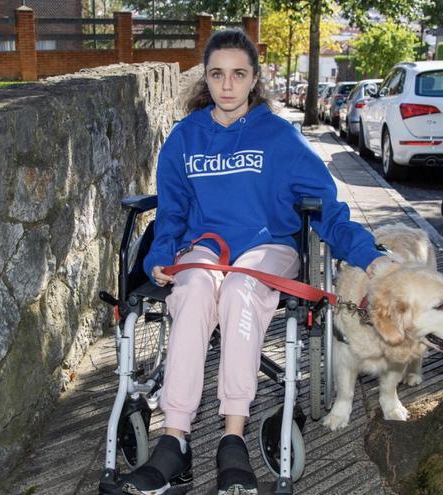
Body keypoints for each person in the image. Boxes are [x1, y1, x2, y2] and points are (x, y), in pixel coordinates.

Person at [122, 29, 389, 495]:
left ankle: (232, 439)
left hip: (269, 247)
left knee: (242, 292)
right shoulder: (185, 138)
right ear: (206, 79)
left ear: (254, 79)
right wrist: (162, 257)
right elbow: (172, 211)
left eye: (238, 74)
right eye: (217, 74)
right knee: (194, 289)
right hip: (205, 245)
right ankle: (175, 438)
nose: (227, 85)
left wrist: (368, 255)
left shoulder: (280, 137)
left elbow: (325, 207)